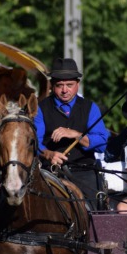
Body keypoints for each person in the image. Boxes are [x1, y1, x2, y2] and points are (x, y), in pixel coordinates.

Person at [32, 58, 109, 209]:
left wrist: (76, 135)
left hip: (84, 171)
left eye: (69, 85)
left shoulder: (90, 107)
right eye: (59, 85)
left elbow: (102, 143)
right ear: (52, 86)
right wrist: (48, 154)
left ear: (77, 85)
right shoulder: (41, 108)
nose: (65, 90)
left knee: (93, 212)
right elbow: (34, 141)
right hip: (51, 172)